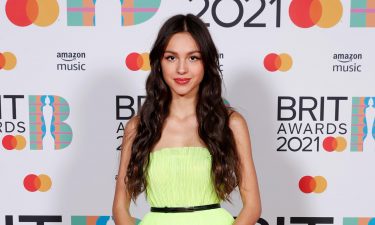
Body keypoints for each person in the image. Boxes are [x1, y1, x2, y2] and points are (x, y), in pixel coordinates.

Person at [112, 14, 261, 225]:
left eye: (193, 58)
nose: (182, 69)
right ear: (159, 62)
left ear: (206, 62)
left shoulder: (231, 123)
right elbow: (120, 208)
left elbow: (252, 206)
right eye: (171, 57)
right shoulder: (138, 127)